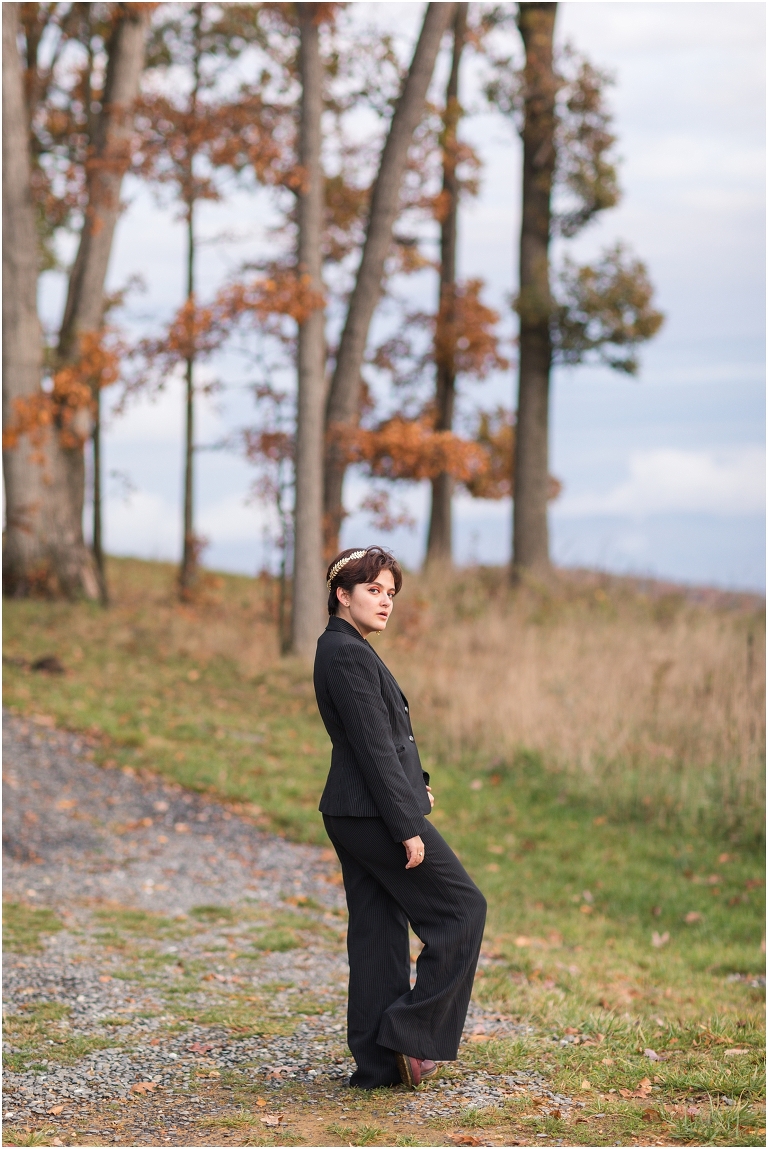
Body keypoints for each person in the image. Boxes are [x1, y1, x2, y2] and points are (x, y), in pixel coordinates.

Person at [314, 545, 487, 1090]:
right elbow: (372, 750)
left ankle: (377, 1066)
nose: (385, 601)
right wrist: (406, 825)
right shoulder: (346, 654)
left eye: (390, 593)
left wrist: (417, 786)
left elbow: (385, 741)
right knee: (462, 910)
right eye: (373, 590)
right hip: (372, 816)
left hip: (356, 810)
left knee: (379, 934)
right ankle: (409, 1035)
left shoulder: (346, 648)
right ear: (342, 595)